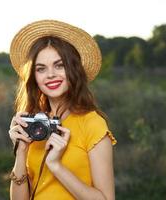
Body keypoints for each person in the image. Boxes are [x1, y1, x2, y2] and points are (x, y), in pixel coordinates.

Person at [8, 19, 117, 200]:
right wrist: (20, 153)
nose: (51, 74)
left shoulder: (92, 123)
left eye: (59, 65)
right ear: (34, 77)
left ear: (73, 69)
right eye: (41, 69)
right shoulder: (35, 125)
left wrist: (56, 165)